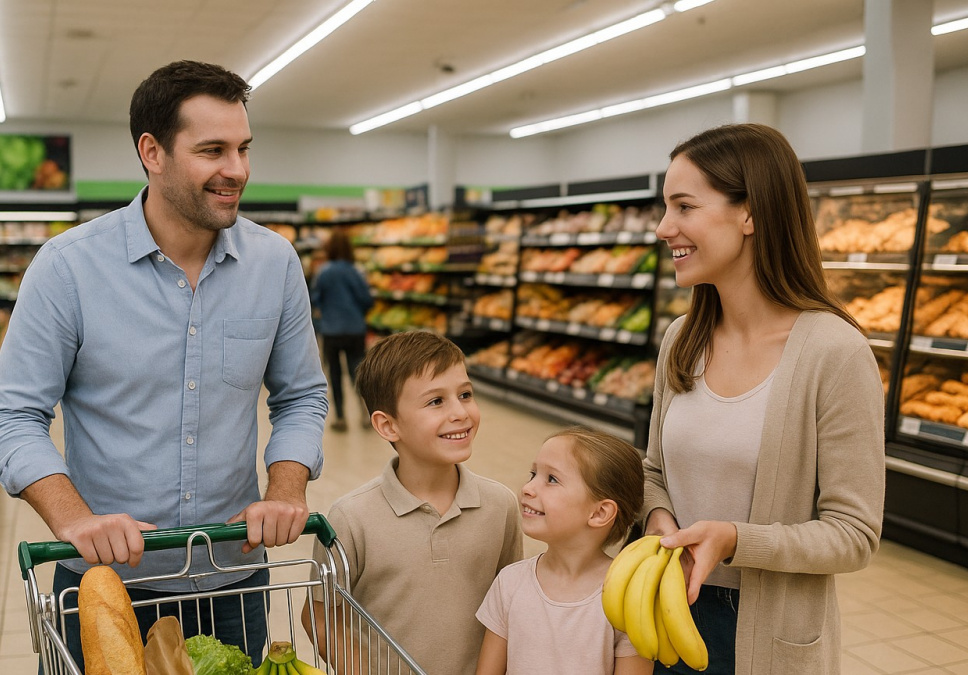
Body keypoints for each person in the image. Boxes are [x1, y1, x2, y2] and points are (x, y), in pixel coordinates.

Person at [0, 60, 329, 666]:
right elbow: (12, 415)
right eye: (213, 150)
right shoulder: (67, 269)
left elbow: (301, 396)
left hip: (233, 579)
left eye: (244, 148)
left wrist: (286, 487)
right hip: (106, 584)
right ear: (153, 152)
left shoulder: (275, 264)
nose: (238, 171)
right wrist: (76, 520)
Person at [642, 123, 884, 674]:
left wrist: (733, 540)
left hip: (769, 634)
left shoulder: (834, 352)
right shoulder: (682, 339)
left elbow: (854, 535)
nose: (663, 228)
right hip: (665, 609)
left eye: (684, 206)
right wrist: (659, 519)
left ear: (749, 214)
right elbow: (654, 470)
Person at [301, 330, 523, 675]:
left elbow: (509, 607)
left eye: (465, 394)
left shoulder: (500, 506)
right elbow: (320, 616)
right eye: (436, 401)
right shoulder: (351, 518)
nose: (460, 412)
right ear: (388, 426)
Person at [475, 426, 652, 675]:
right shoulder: (509, 584)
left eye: (552, 479)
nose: (528, 488)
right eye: (533, 473)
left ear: (599, 513)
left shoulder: (627, 599)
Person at [310, 230, 372, 431]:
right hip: (355, 329)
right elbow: (366, 299)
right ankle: (365, 414)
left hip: (331, 330)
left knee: (334, 374)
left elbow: (315, 299)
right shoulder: (356, 271)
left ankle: (340, 417)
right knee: (358, 372)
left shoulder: (323, 272)